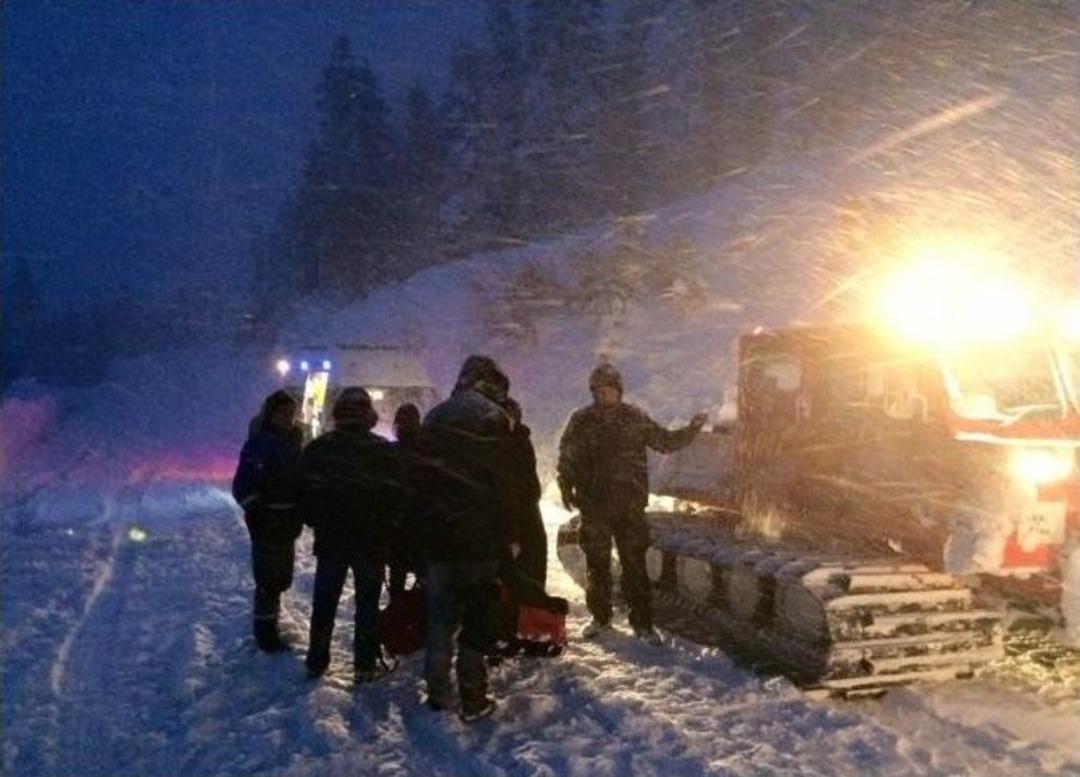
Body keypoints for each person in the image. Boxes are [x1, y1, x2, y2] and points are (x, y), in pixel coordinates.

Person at [557, 363, 707, 644]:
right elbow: (567, 457)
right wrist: (566, 485)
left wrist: (692, 429)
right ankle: (600, 618)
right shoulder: (581, 420)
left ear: (619, 391)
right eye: (599, 391)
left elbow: (665, 441)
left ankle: (643, 624)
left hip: (629, 507)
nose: (604, 396)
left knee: (635, 567)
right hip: (594, 506)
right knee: (597, 566)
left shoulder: (634, 418)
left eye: (609, 390)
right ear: (593, 393)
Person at [416, 355, 519, 722]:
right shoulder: (495, 419)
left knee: (440, 617)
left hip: (439, 538)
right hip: (480, 538)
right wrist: (509, 535)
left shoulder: (435, 417)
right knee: (478, 616)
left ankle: (438, 694)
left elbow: (419, 484)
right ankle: (473, 694)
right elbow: (507, 487)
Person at [299, 387, 400, 682]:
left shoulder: (319, 449)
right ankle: (365, 664)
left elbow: (304, 493)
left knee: (325, 602)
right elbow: (395, 497)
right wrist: (386, 527)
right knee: (367, 604)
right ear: (369, 415)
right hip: (371, 542)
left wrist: (316, 520)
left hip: (332, 539)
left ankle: (317, 660)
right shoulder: (382, 451)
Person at [231, 390, 304, 653]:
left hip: (288, 524)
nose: (287, 418)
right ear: (270, 413)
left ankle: (269, 623)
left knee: (281, 578)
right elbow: (242, 486)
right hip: (267, 524)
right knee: (267, 581)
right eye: (282, 412)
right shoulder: (258, 445)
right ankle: (265, 634)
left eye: (291, 413)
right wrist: (261, 514)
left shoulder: (294, 443)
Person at [388, 402, 423, 598]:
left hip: (397, 527)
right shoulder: (427, 452)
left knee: (396, 580)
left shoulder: (391, 452)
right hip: (419, 527)